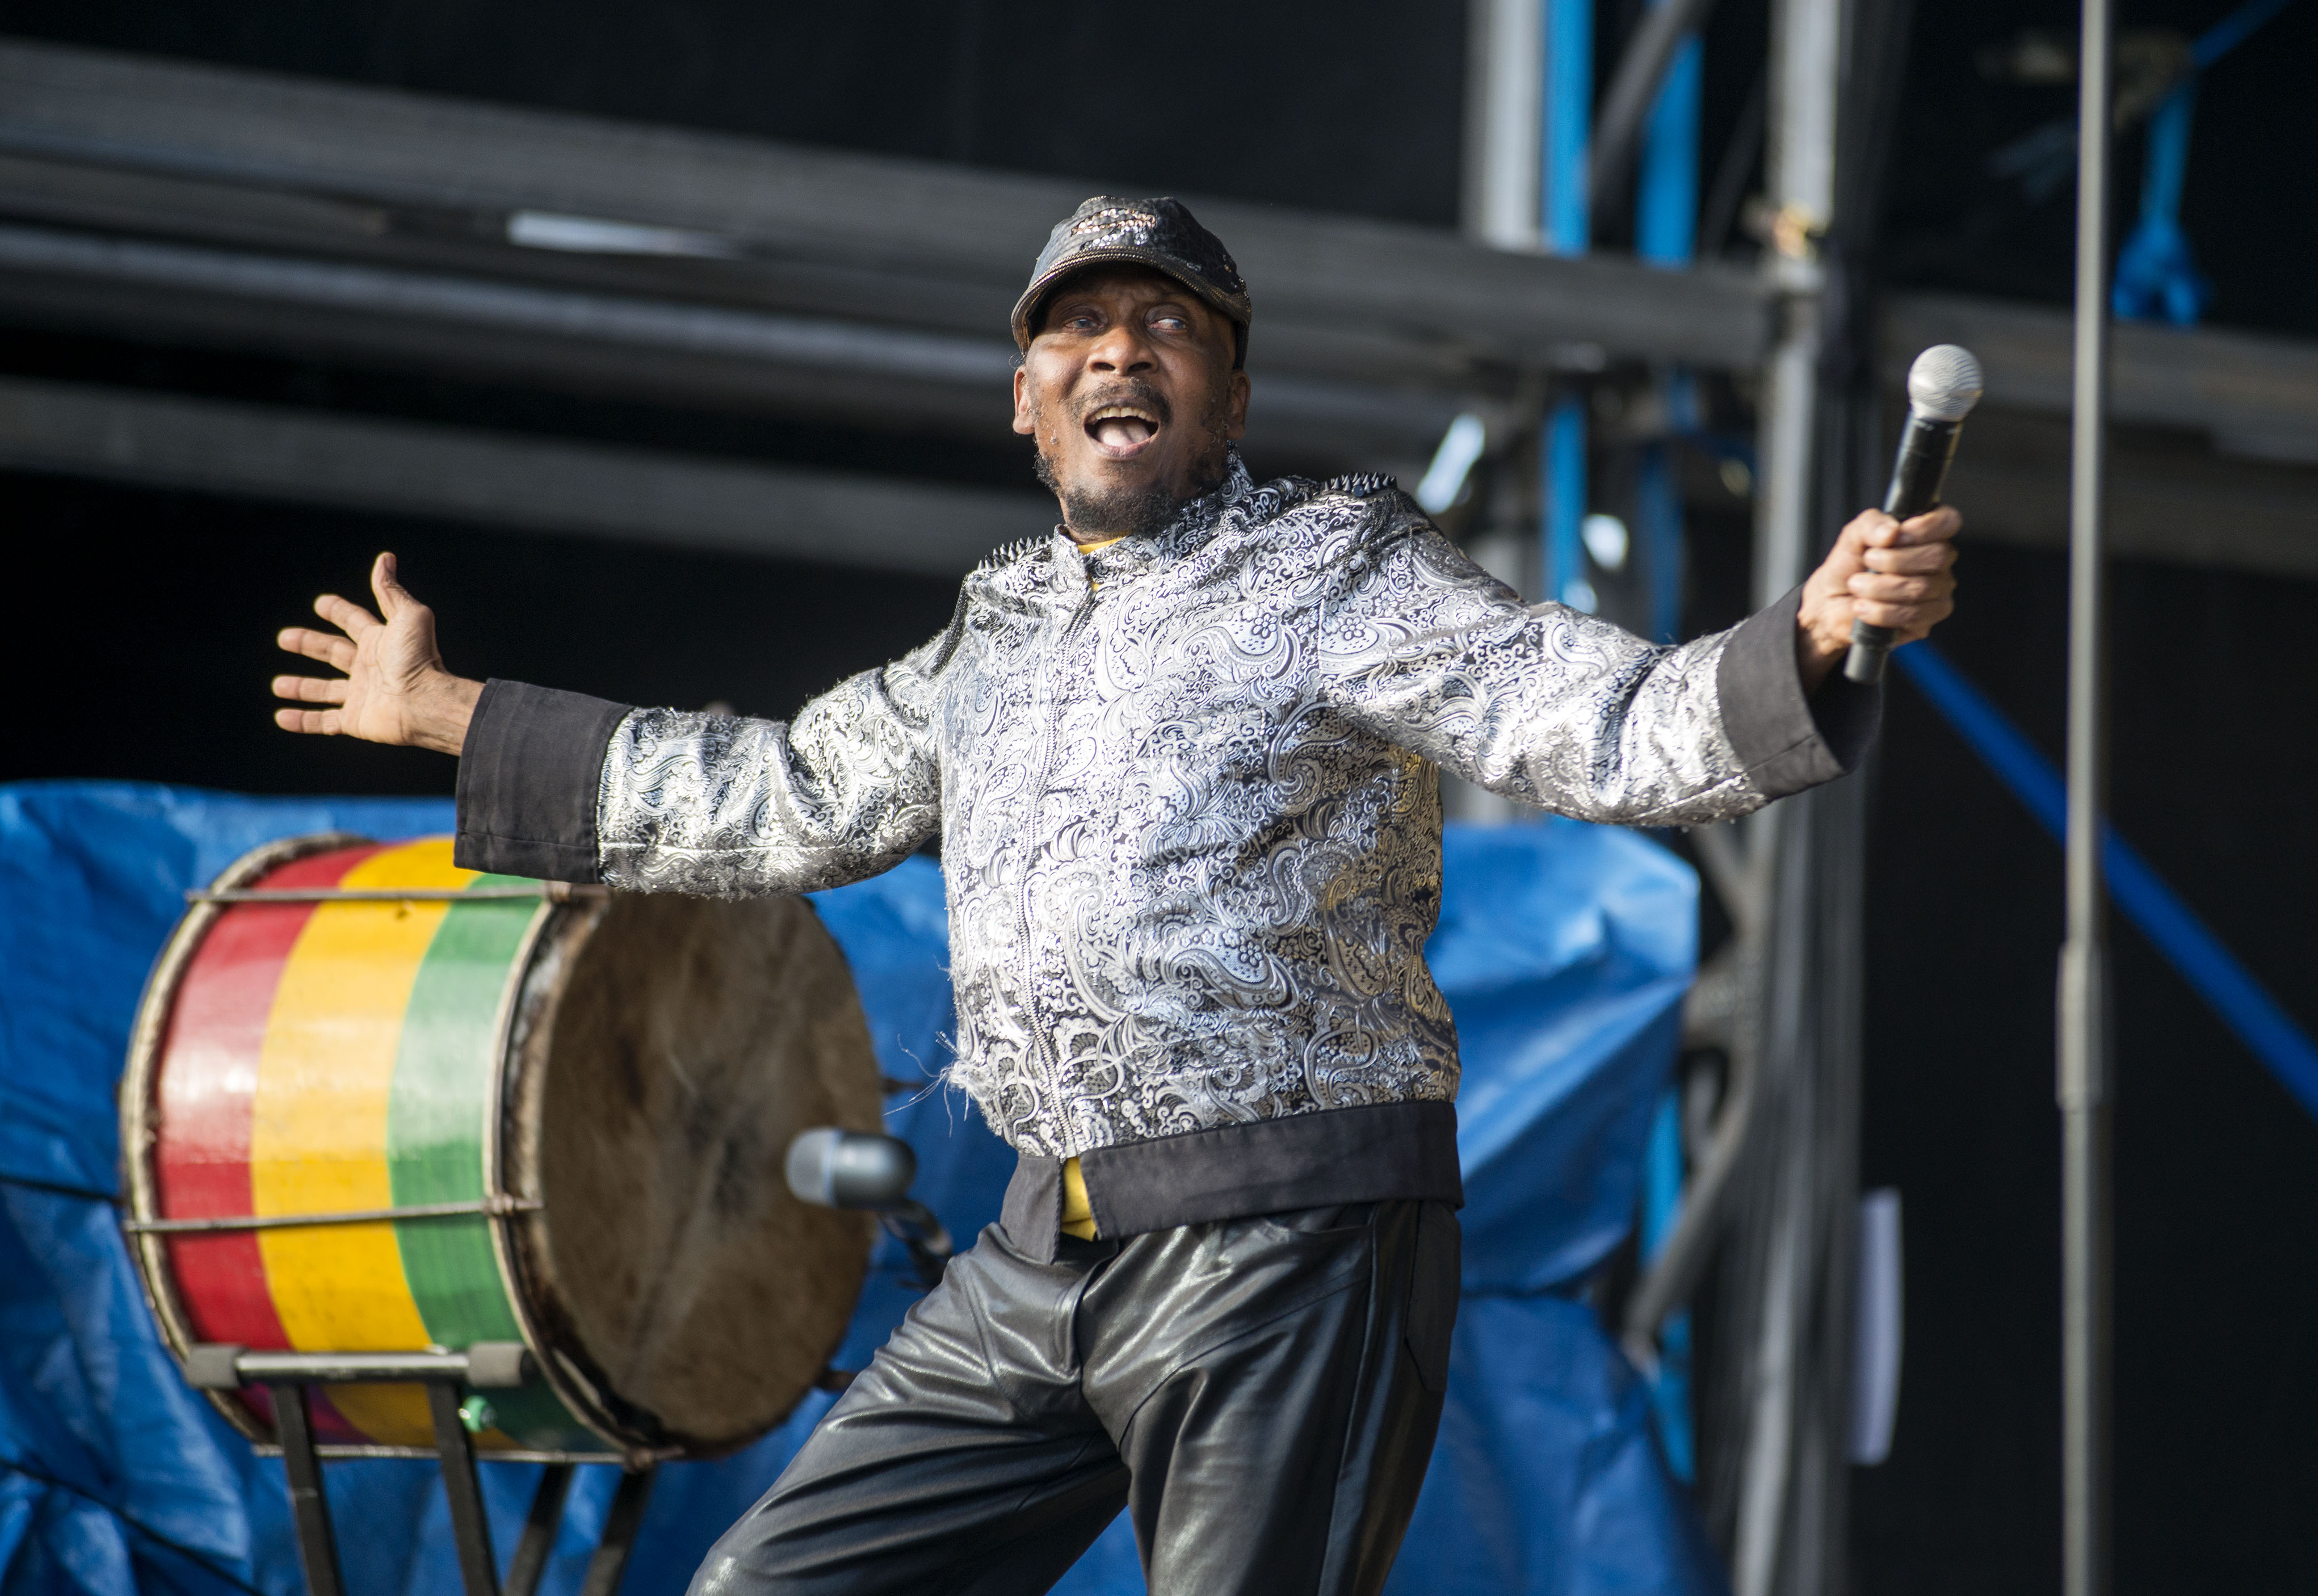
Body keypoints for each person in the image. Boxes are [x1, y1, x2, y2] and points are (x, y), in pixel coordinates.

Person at [272, 196, 1959, 1595]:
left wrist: (1801, 635)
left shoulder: (1332, 566)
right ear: (1025, 400)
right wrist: (451, 713)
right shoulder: (991, 628)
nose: (1117, 349)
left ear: (1224, 403)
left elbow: (1584, 715)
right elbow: (779, 793)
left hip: (1286, 1239)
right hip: (1039, 1251)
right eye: (1077, 329)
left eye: (1167, 327)